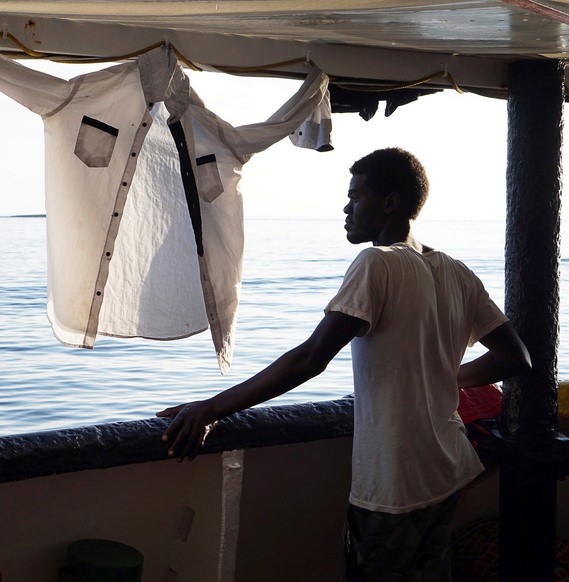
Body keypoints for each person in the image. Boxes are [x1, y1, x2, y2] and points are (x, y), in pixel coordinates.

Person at [156, 148, 531, 580]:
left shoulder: (377, 263)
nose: (346, 207)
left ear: (390, 202)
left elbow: (310, 358)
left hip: (396, 481)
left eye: (356, 196)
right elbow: (515, 357)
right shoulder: (457, 271)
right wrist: (444, 375)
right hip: (447, 467)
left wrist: (210, 409)